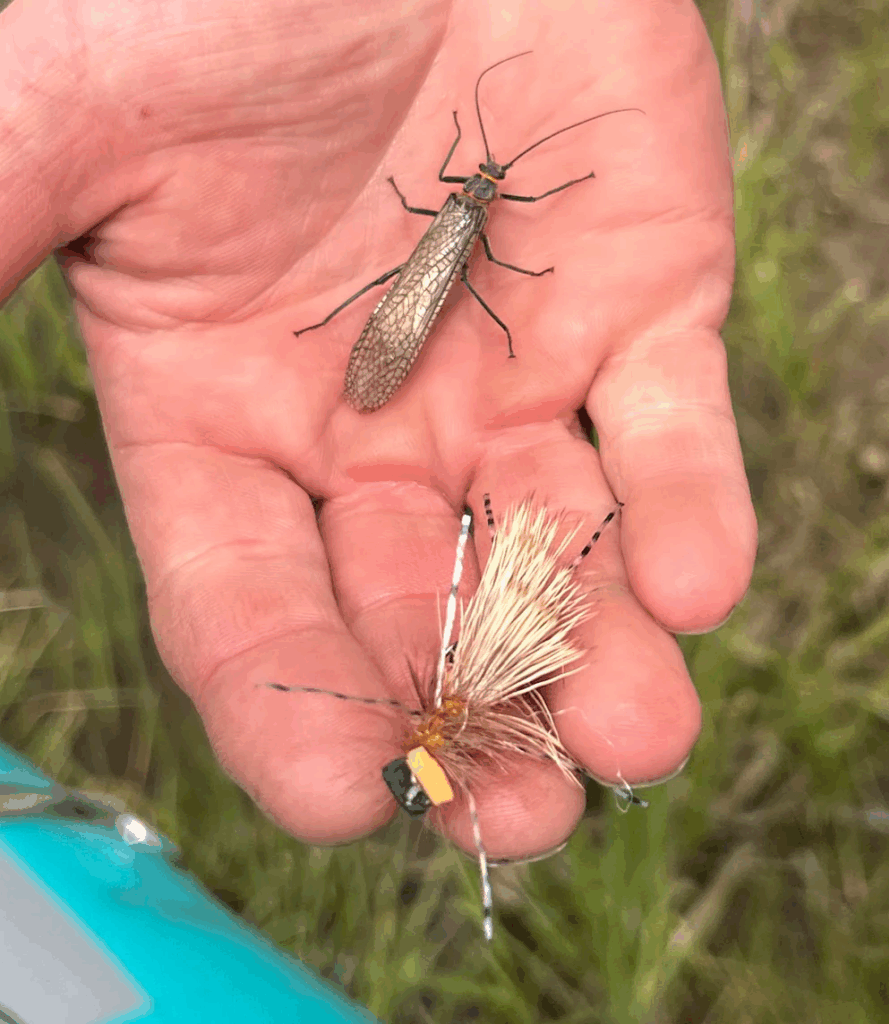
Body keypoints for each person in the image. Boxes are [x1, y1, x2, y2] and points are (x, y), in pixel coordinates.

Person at [0, 0, 756, 863]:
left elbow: (477, 254)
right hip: (418, 289)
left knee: (424, 289)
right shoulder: (466, 210)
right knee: (420, 291)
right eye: (484, 177)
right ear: (475, 183)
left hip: (420, 287)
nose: (485, 182)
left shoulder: (464, 210)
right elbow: (478, 250)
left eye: (487, 181)